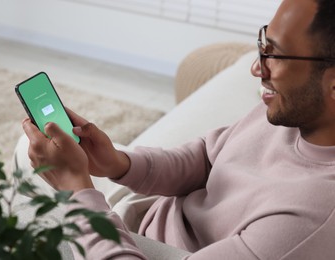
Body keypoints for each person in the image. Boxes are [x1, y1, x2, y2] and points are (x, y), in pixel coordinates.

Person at [20, 0, 335, 259]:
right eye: (263, 43)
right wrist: (118, 163)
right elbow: (208, 158)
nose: (257, 67)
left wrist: (76, 189)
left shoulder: (307, 222)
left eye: (275, 54)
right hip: (144, 216)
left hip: (153, 252)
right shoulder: (295, 111)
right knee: (30, 148)